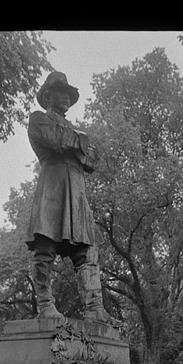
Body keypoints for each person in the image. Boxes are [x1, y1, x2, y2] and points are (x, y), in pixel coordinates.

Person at [25, 71, 109, 323]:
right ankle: (45, 304)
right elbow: (54, 140)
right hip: (53, 191)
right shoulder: (38, 119)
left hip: (77, 196)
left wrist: (76, 143)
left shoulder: (74, 130)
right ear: (48, 96)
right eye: (61, 92)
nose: (66, 98)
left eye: (68, 94)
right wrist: (80, 142)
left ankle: (95, 309)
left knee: (87, 253)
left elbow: (94, 159)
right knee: (45, 249)